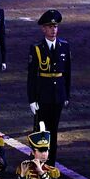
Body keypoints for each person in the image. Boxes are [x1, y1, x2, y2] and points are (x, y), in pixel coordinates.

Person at [26, 9, 69, 159]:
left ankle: (51, 163)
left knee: (53, 131)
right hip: (42, 95)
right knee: (40, 130)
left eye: (55, 27)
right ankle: (36, 162)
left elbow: (67, 73)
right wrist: (32, 99)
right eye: (50, 27)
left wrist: (66, 95)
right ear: (43, 29)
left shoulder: (64, 46)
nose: (53, 30)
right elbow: (32, 76)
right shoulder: (37, 48)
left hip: (57, 95)